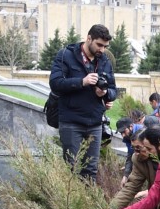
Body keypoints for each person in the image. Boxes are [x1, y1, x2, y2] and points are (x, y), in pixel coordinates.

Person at [49, 24, 117, 182]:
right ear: (89, 38)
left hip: (95, 123)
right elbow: (55, 83)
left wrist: (106, 94)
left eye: (105, 46)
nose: (102, 49)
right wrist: (82, 81)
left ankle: (87, 205)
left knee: (91, 171)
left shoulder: (105, 60)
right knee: (72, 169)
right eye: (99, 45)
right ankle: (70, 205)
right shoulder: (66, 55)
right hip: (71, 121)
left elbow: (113, 90)